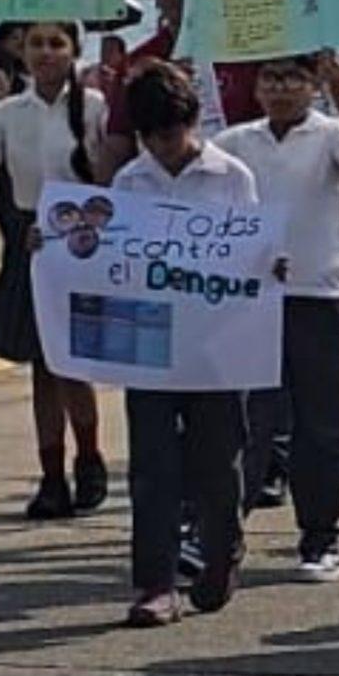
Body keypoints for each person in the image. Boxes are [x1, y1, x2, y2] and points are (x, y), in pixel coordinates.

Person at [214, 52, 339, 583]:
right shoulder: (235, 143)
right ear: (257, 87)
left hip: (321, 293)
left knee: (322, 426)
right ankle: (223, 535)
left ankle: (320, 537)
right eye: (271, 78)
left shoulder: (331, 133)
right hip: (252, 298)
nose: (282, 87)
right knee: (248, 423)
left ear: (312, 85)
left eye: (294, 78)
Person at [108, 64, 261, 626]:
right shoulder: (130, 183)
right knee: (151, 466)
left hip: (220, 346)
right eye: (152, 138)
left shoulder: (232, 177)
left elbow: (250, 251)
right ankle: (156, 581)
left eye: (172, 135)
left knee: (217, 462)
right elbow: (111, 260)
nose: (165, 148)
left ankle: (221, 553)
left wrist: (269, 267)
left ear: (194, 123)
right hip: (151, 343)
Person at [0, 20, 109, 520]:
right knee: (42, 366)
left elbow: (110, 180)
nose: (44, 53)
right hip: (30, 237)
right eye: (35, 43)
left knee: (71, 364)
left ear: (73, 51)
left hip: (80, 241)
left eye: (55, 43)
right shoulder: (8, 111)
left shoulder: (94, 108)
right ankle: (52, 475)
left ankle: (88, 455)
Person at [99, 0, 260, 170]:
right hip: (163, 192)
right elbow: (119, 140)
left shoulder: (246, 54)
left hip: (233, 189)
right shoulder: (137, 63)